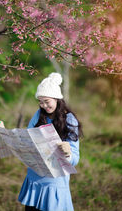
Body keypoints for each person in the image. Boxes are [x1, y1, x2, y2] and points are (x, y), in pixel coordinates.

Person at [18, 72, 83, 211]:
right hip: (35, 178)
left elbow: (75, 159)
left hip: (53, 183)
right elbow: (28, 137)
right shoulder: (39, 115)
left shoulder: (69, 120)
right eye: (40, 102)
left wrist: (68, 153)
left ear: (57, 99)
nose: (43, 106)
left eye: (47, 101)